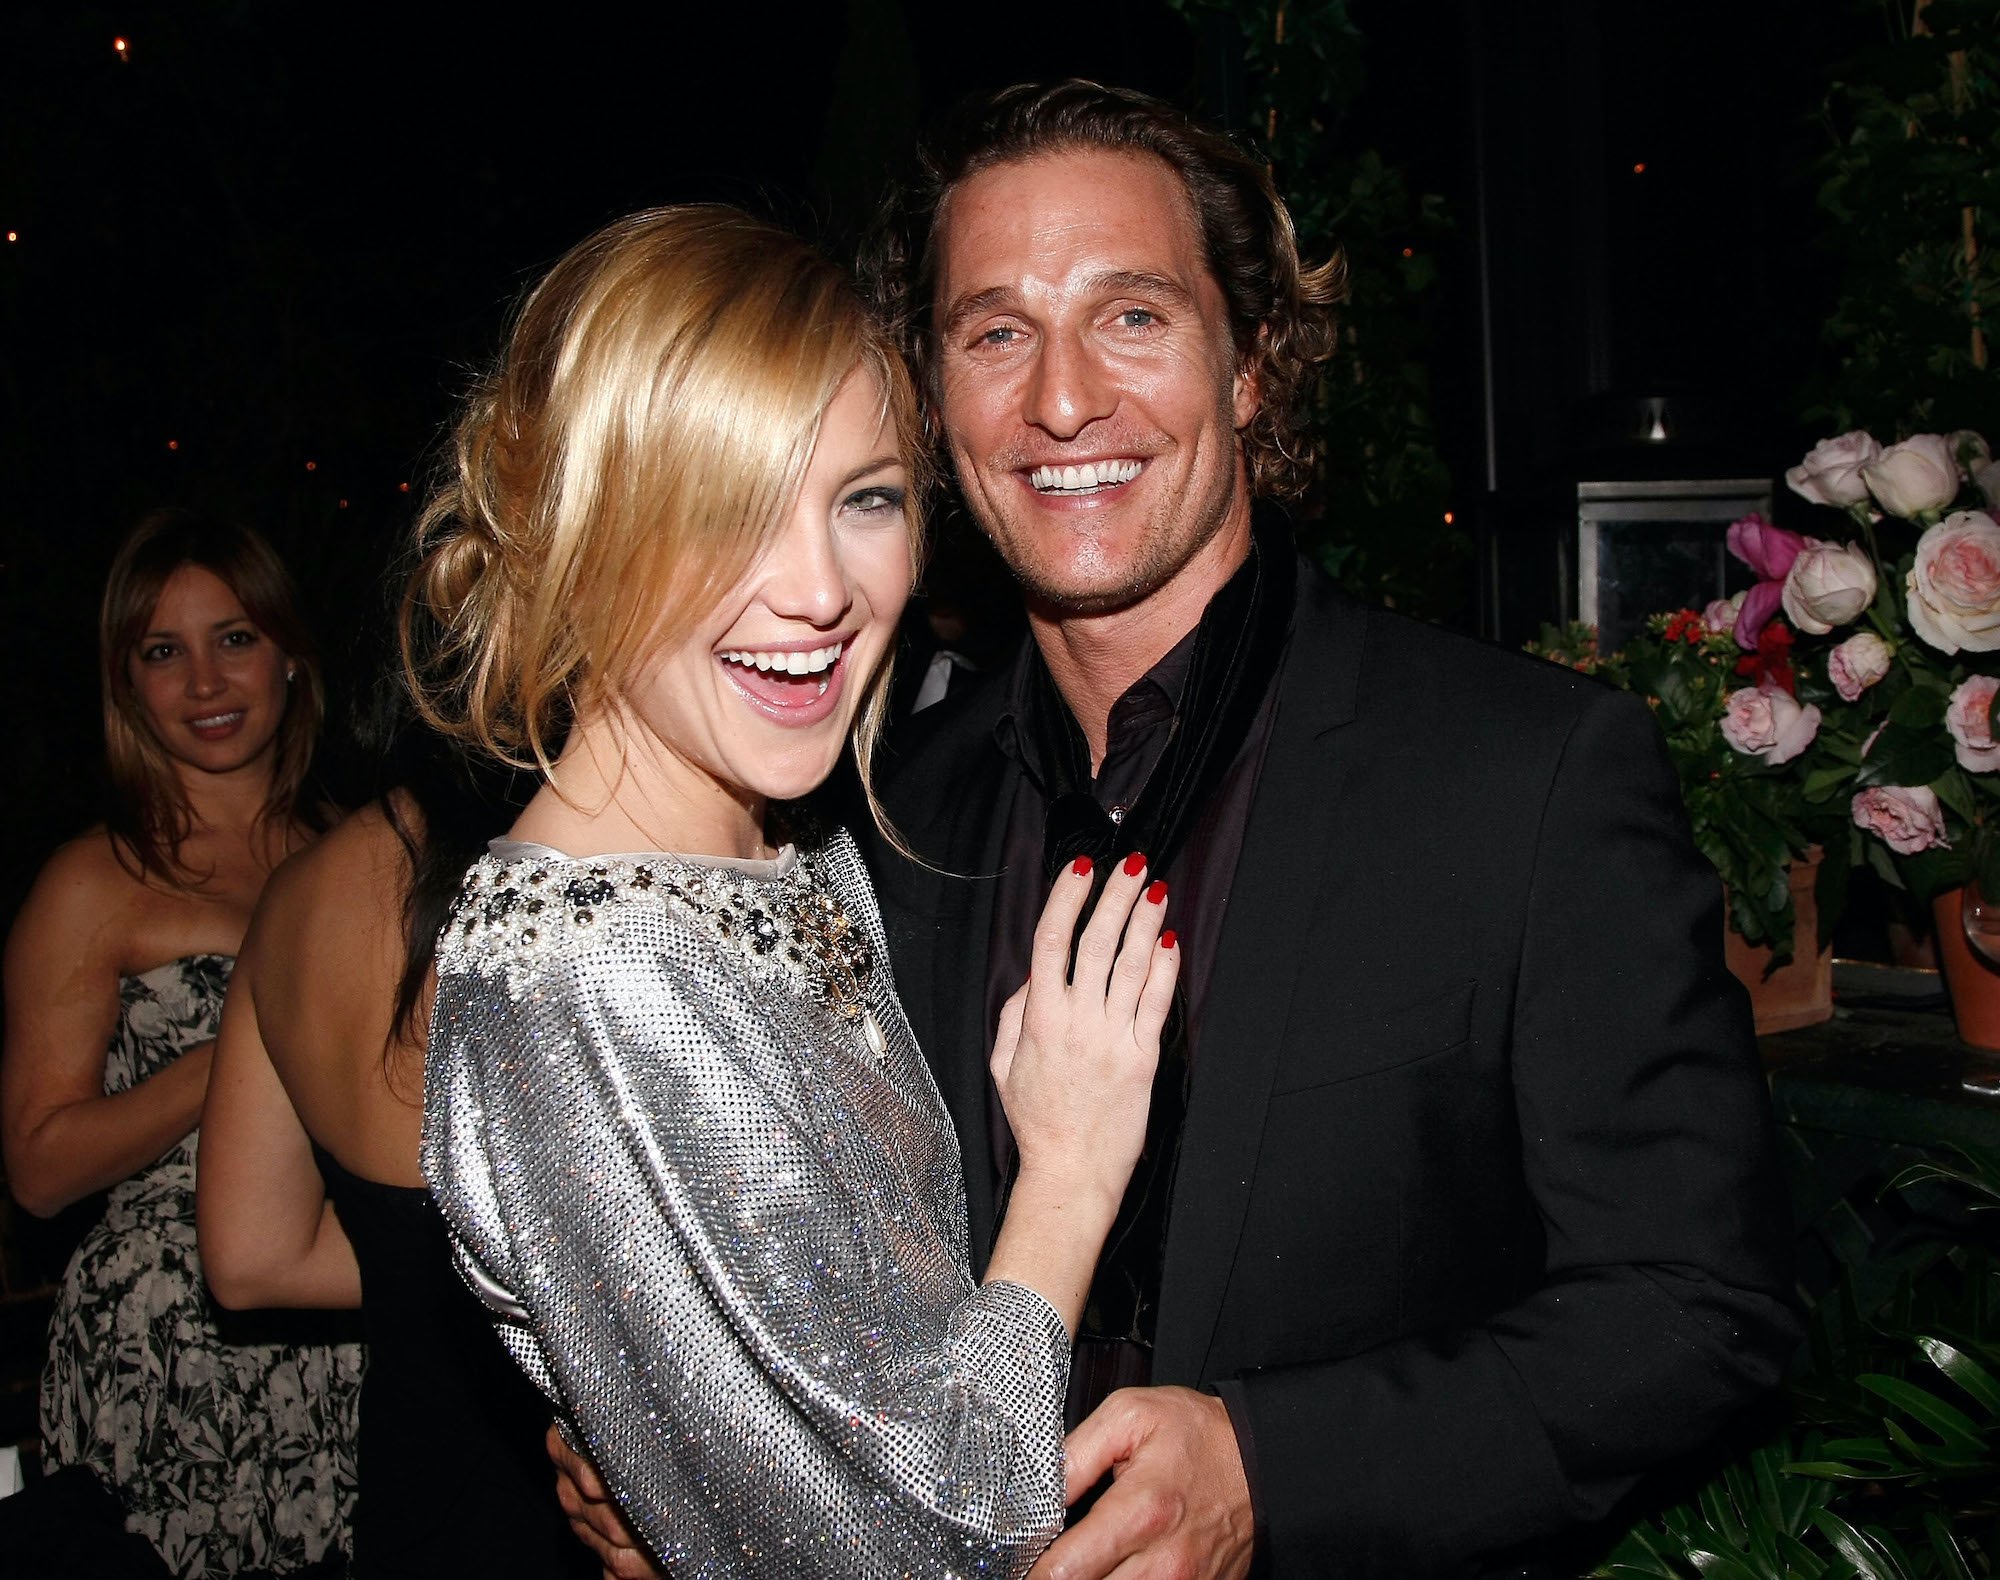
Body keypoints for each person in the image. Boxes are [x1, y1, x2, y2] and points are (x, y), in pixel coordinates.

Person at [555, 81, 1800, 1580]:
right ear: (932, 406)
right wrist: (705, 1443)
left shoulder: (1522, 778)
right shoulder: (879, 814)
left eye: (1131, 316)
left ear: (1250, 364)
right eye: (994, 334)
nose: (1061, 400)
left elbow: (1697, 1304)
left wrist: (1272, 1474)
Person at [408, 204, 1183, 1578]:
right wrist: (1067, 1176)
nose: (819, 591)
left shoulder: (790, 841)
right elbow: (919, 1546)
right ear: (578, 528)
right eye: (724, 511)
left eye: (864, 498)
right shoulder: (594, 976)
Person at [1, 510, 362, 1577]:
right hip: (167, 1338)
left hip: (347, 1310)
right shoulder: (95, 880)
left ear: (290, 654)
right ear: (127, 685)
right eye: (163, 651)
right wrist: (237, 1056)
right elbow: (39, 1168)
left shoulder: (363, 854)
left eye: (234, 638)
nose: (205, 681)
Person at [195, 692, 593, 1578]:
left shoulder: (300, 893)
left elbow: (252, 1257)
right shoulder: (609, 876)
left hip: (415, 1504)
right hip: (591, 1510)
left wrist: (423, 1266)